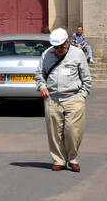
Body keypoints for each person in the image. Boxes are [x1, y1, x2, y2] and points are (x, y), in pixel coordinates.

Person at [34, 27, 92, 172]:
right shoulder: (46, 54)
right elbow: (39, 74)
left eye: (62, 46)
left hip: (74, 97)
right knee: (54, 132)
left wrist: (83, 95)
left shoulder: (77, 53)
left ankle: (73, 158)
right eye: (56, 47)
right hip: (52, 98)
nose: (59, 50)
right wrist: (42, 87)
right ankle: (59, 160)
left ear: (67, 42)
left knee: (73, 131)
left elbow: (86, 77)